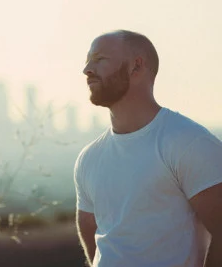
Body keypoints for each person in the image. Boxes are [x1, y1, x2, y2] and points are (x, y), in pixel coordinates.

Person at [74, 29, 222, 267]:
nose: (87, 70)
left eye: (100, 59)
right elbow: (95, 244)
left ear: (136, 66)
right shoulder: (88, 158)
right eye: (87, 61)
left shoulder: (188, 143)